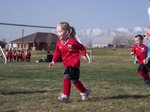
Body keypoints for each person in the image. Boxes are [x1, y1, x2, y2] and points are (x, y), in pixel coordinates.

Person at [48, 22, 90, 103]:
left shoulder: (73, 42)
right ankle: (85, 92)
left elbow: (82, 47)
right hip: (67, 65)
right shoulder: (59, 44)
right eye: (57, 32)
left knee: (66, 76)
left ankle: (66, 96)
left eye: (60, 32)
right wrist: (53, 61)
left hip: (74, 64)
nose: (58, 33)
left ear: (66, 32)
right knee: (75, 81)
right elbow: (57, 53)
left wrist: (84, 55)